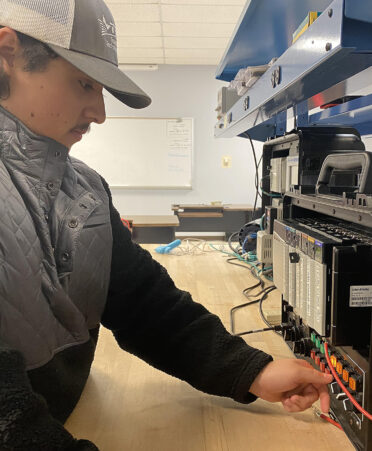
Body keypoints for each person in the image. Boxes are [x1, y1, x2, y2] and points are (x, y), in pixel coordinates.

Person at [0, 1, 333, 450]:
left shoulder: (86, 190)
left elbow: (145, 305)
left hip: (75, 413)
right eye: (83, 83)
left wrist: (253, 371)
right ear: (7, 54)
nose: (99, 112)